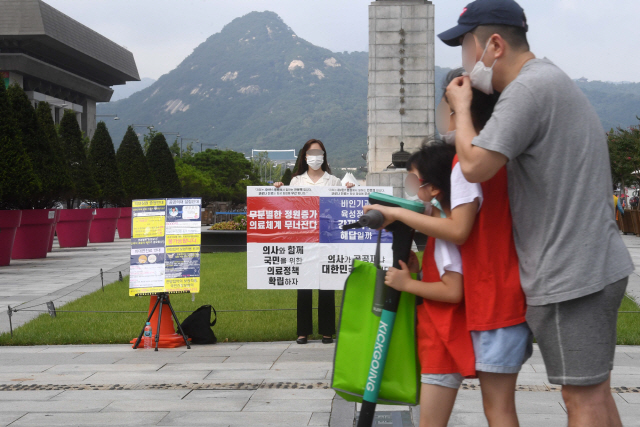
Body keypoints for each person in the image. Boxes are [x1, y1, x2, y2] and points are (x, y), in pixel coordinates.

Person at [440, 1, 634, 425]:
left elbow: (475, 164)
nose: (464, 63)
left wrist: (460, 106)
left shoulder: (528, 88)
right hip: (589, 264)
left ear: (493, 45)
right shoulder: (549, 81)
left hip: (569, 274)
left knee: (580, 399)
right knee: (594, 392)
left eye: (465, 48)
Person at [366, 69, 530, 426]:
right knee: (497, 408)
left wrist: (398, 213)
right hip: (498, 297)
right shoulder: (502, 158)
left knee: (498, 410)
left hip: (491, 302)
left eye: (447, 109)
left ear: (460, 110)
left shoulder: (464, 162)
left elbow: (458, 229)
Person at [384, 142, 475, 427]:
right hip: (436, 335)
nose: (413, 188)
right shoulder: (442, 221)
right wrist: (418, 272)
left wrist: (407, 284)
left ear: (434, 188)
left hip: (442, 338)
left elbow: (452, 291)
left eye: (414, 179)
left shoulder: (446, 230)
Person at [274, 139, 354, 344]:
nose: (315, 156)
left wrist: (350, 190)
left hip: (327, 239)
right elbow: (288, 207)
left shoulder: (334, 181)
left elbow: (342, 208)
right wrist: (277, 190)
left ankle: (327, 331)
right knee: (304, 283)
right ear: (305, 156)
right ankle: (303, 331)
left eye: (319, 152)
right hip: (305, 238)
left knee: (326, 283)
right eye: (311, 152)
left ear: (324, 155)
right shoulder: (296, 182)